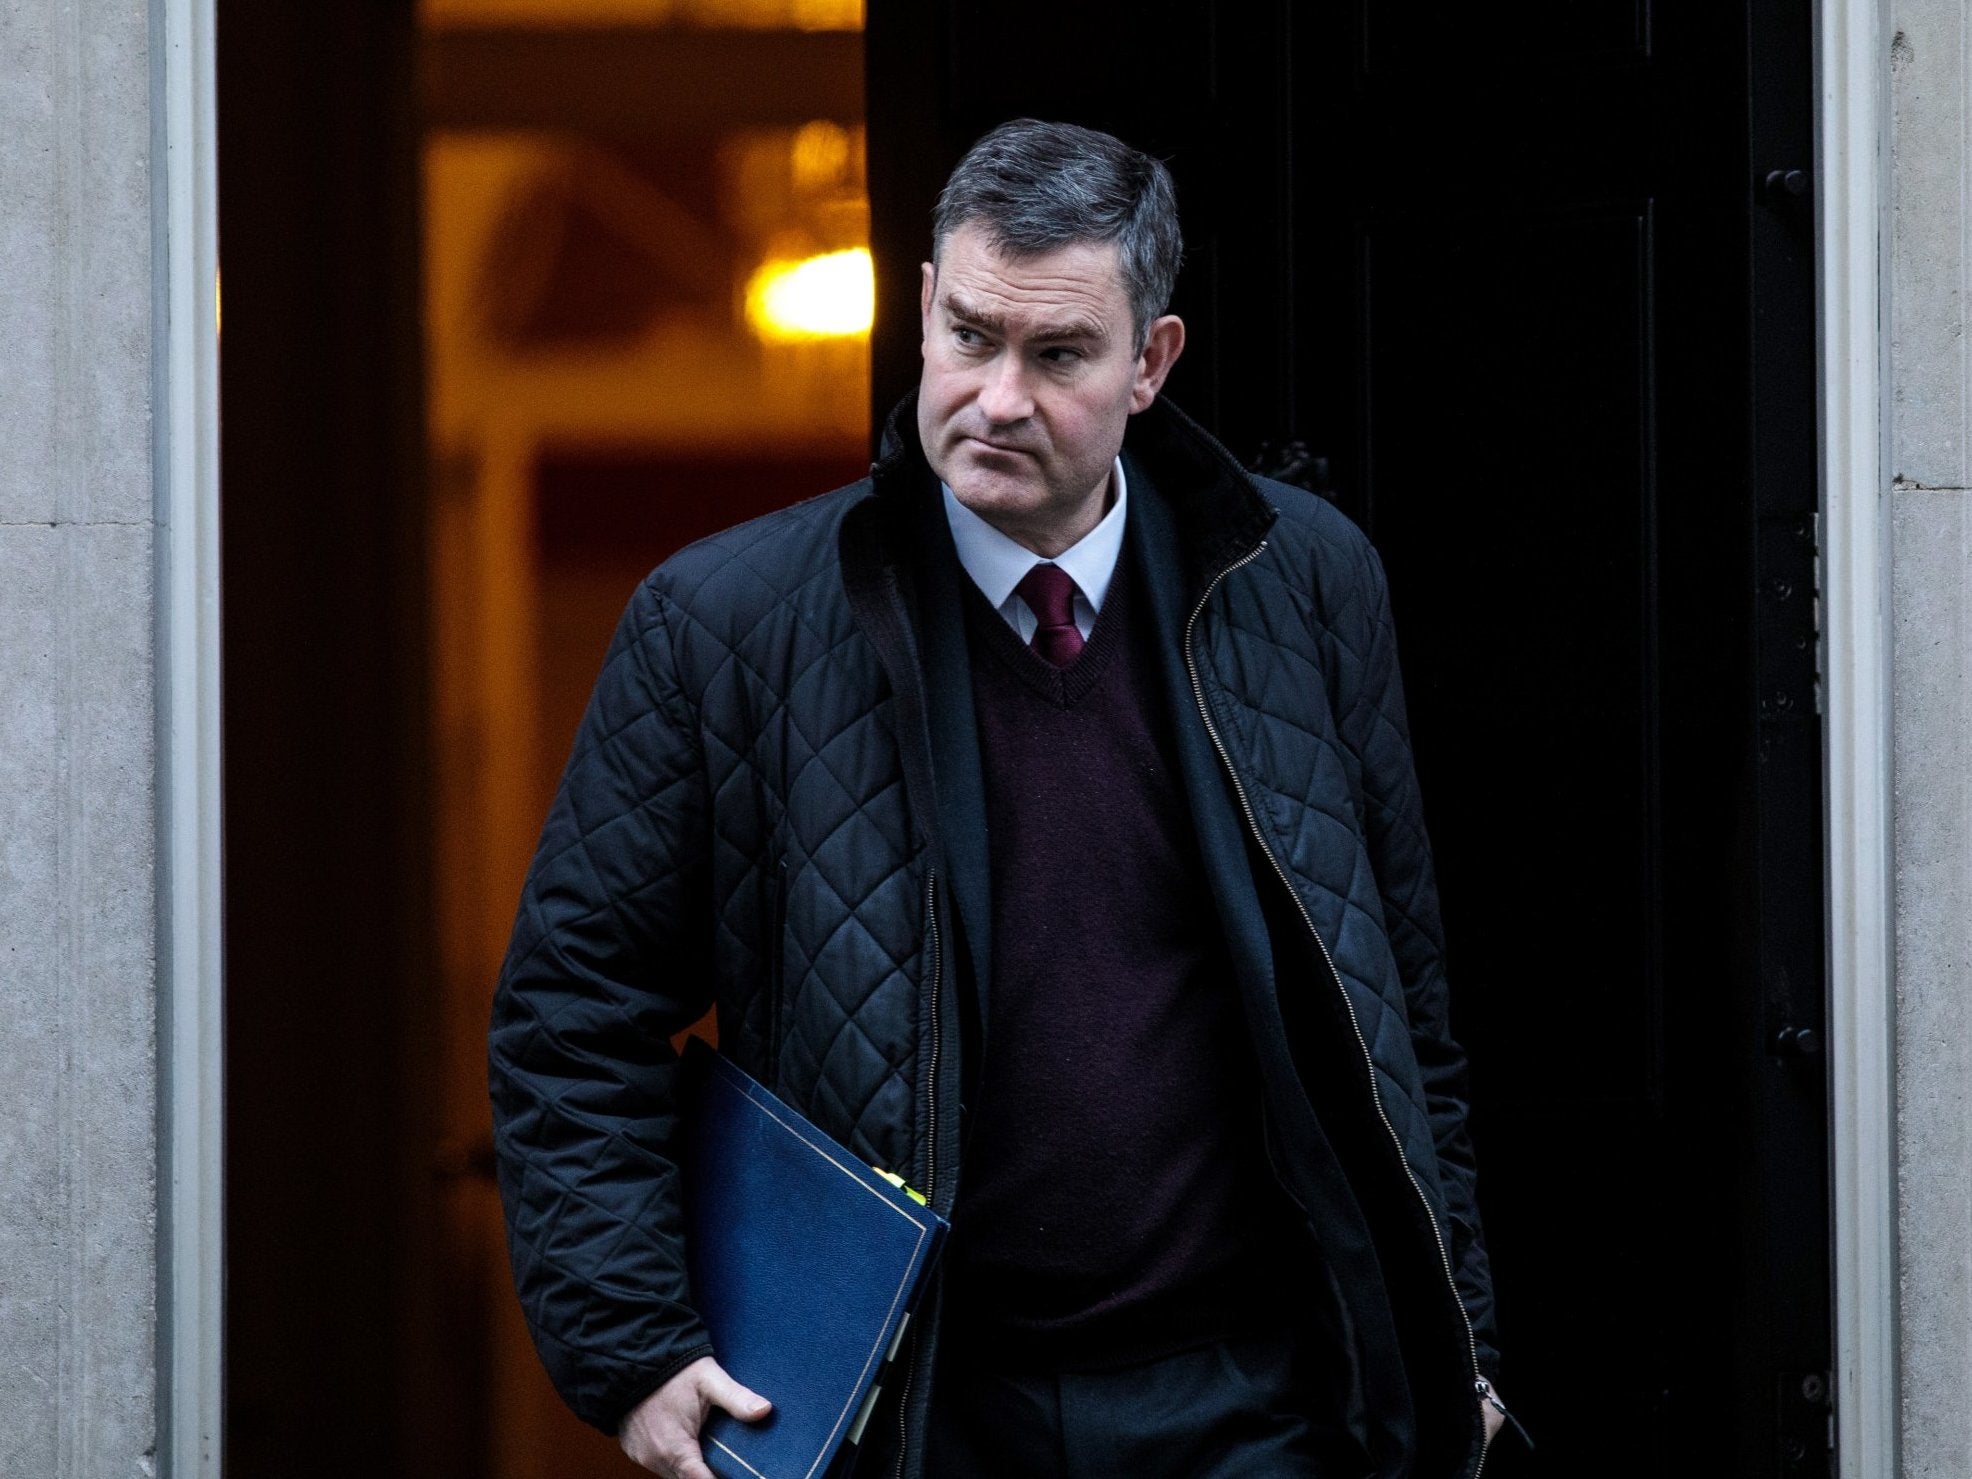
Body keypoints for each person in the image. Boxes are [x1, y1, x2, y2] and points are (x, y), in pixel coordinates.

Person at [490, 118, 1509, 1479]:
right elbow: (573, 1013)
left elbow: (1405, 1017)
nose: (997, 397)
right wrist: (634, 1350)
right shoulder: (720, 624)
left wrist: (1459, 1350)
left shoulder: (1306, 583)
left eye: (1059, 355)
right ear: (918, 307)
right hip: (915, 1415)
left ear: (1153, 363)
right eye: (969, 336)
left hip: (1253, 1405)